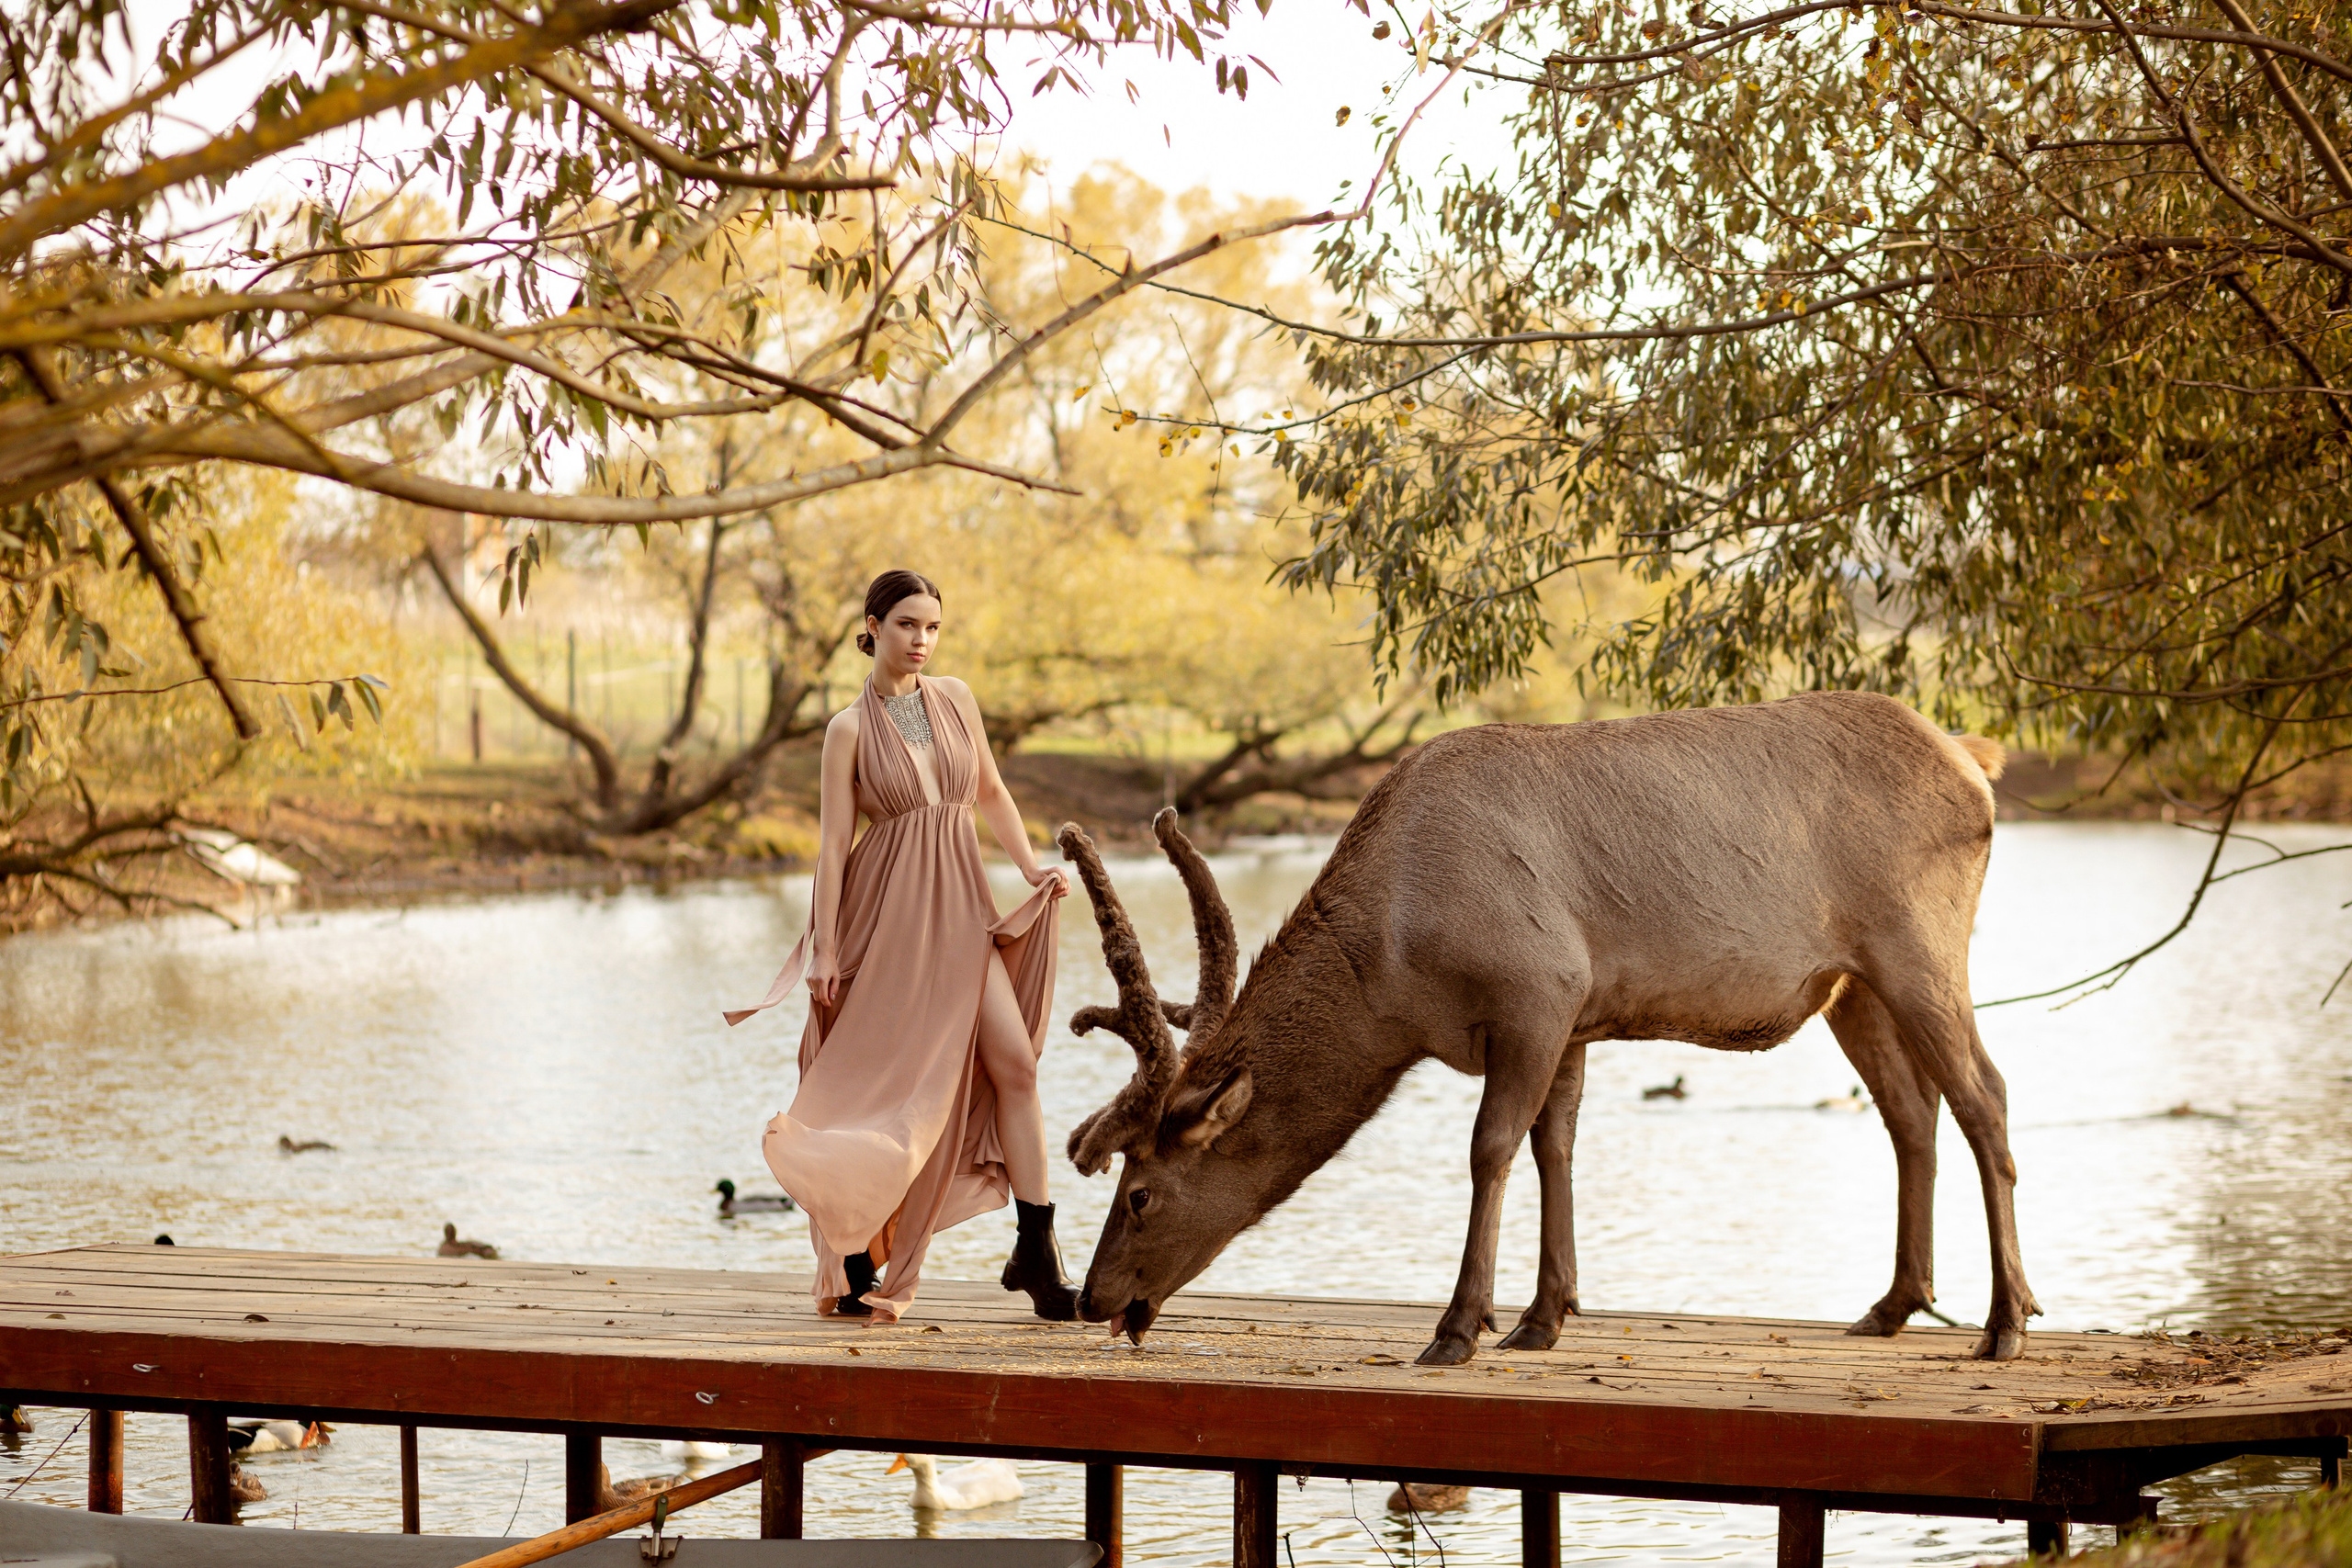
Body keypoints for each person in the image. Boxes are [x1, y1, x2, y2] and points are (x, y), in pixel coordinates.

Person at [725, 570, 1077, 1323]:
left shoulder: (955, 697)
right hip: (886, 919)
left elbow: (988, 790)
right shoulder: (845, 731)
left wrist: (1028, 865)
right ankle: (854, 1248)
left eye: (933, 627)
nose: (922, 640)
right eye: (908, 625)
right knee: (883, 1087)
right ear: (874, 627)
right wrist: (823, 947)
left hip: (961, 907)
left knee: (1013, 1061)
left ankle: (1037, 1250)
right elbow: (830, 846)